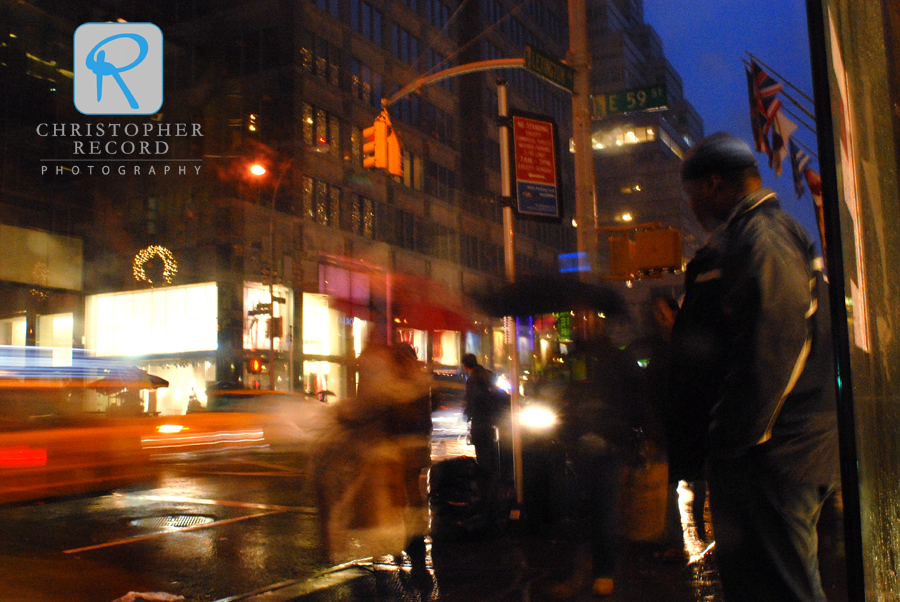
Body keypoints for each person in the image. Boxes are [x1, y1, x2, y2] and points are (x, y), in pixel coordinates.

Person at [671, 132, 839, 602]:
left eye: (691, 192)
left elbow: (776, 336)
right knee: (764, 585)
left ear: (715, 185)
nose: (691, 205)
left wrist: (735, 436)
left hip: (774, 456)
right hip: (771, 453)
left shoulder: (761, 234)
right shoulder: (747, 237)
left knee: (782, 589)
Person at [461, 353, 501, 480]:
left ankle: (486, 477)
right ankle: (492, 474)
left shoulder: (473, 379)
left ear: (465, 365)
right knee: (490, 447)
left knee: (481, 448)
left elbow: (475, 399)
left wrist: (467, 413)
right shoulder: (488, 374)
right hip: (491, 416)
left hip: (480, 418)